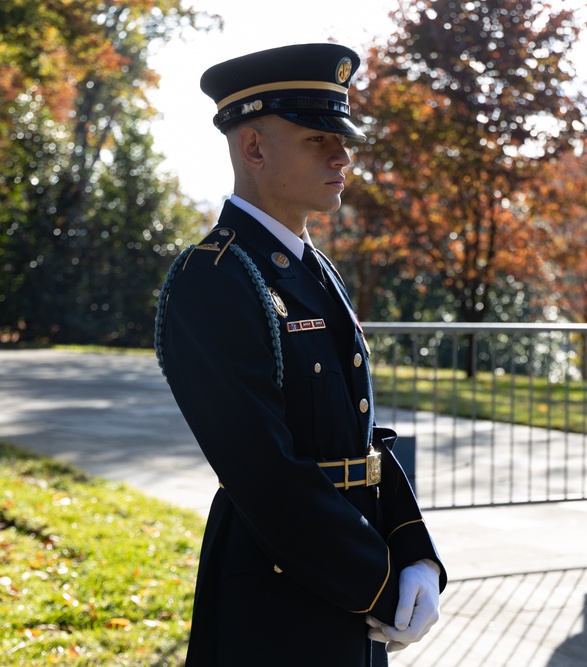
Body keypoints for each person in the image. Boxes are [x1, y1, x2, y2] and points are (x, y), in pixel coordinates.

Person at [154, 43, 445, 666]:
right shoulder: (215, 278)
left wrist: (413, 547)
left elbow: (356, 437)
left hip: (349, 582)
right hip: (277, 597)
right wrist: (379, 581)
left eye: (342, 139)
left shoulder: (311, 266)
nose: (343, 155)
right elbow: (265, 471)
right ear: (254, 148)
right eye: (318, 139)